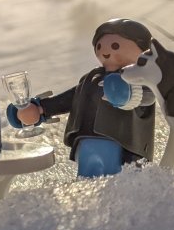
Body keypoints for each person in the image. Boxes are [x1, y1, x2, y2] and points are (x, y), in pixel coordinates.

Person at [10, 18, 155, 177]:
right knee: (87, 176)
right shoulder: (91, 78)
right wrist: (40, 109)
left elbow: (149, 95)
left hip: (123, 144)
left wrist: (129, 94)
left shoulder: (140, 79)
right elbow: (70, 98)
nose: (106, 51)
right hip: (85, 140)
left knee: (116, 178)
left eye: (115, 46)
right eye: (99, 46)